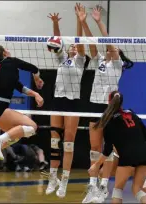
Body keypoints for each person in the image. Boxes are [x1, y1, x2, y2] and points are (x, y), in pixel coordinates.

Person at [75, 4, 134, 203]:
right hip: (93, 105)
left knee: (108, 149)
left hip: (109, 108)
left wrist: (100, 21)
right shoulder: (99, 60)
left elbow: (107, 42)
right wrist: (83, 23)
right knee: (94, 147)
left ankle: (103, 187)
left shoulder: (117, 64)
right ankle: (92, 186)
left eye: (114, 48)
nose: (111, 49)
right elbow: (93, 42)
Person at [45, 8, 90, 198]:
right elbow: (57, 41)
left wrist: (79, 21)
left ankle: (64, 182)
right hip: (58, 100)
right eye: (70, 46)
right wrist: (55, 23)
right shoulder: (62, 58)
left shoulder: (80, 60)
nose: (72, 47)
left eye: (74, 46)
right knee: (55, 141)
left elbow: (79, 42)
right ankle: (52, 178)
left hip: (73, 103)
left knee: (68, 143)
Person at [0, 45, 44, 170]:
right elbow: (33, 68)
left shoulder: (2, 68)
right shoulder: (10, 61)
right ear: (5, 53)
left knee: (17, 135)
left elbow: (20, 87)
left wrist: (36, 94)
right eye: (7, 49)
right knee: (33, 127)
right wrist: (37, 78)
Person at [87, 91, 146, 203]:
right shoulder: (131, 114)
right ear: (121, 102)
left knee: (117, 190)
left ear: (108, 102)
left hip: (128, 157)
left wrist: (96, 165)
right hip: (145, 155)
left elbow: (107, 149)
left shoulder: (108, 121)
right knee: (137, 189)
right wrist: (141, 151)